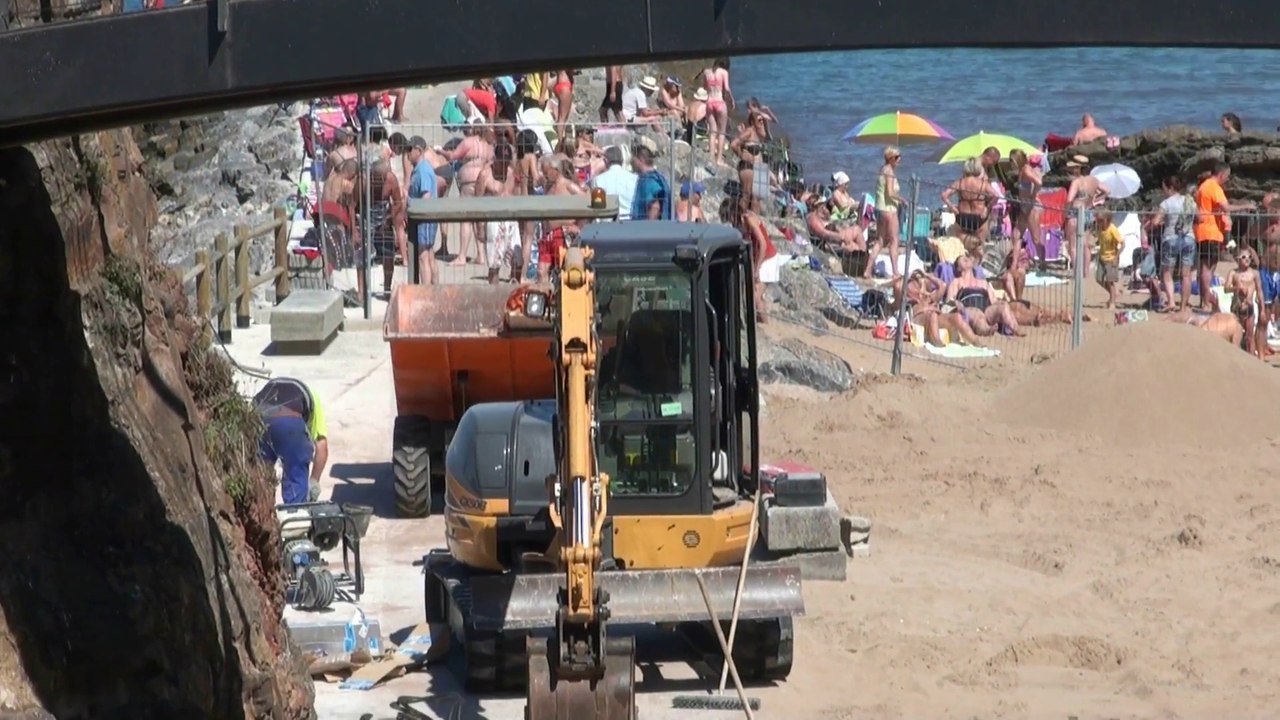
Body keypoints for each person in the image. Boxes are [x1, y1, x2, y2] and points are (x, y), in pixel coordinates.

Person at [254, 377, 329, 505]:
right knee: (296, 475)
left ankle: (261, 515)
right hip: (289, 422)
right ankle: (295, 516)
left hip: (258, 416)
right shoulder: (314, 400)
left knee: (260, 477)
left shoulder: (280, 389)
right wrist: (314, 482)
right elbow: (322, 447)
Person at [1195, 160, 1255, 311]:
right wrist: (1246, 206)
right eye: (1227, 176)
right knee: (1208, 269)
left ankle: (1204, 300)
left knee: (1205, 268)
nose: (1227, 179)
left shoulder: (1203, 186)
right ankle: (1207, 302)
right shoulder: (1214, 187)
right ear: (1221, 174)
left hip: (1204, 232)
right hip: (1211, 232)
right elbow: (1226, 207)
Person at [1147, 176, 1197, 313]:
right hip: (1189, 237)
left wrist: (1160, 221)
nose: (1164, 192)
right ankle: (1183, 306)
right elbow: (1198, 218)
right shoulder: (1190, 202)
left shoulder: (1166, 203)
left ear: (1170, 188)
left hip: (1171, 238)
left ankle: (1171, 302)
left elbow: (1156, 222)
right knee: (1186, 275)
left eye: (1164, 189)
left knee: (1167, 272)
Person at [1064, 155, 1105, 271]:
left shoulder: (1077, 182)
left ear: (1078, 168)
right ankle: (1085, 271)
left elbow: (1069, 199)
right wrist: (1095, 200)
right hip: (1088, 212)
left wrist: (1065, 213)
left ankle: (1077, 272)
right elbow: (1107, 190)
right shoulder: (1094, 180)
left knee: (1073, 245)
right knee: (1085, 245)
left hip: (1075, 213)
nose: (1072, 170)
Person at [407, 136, 439, 285]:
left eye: (409, 149)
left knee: (423, 256)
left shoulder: (423, 170)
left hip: (424, 218)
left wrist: (417, 214)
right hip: (424, 218)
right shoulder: (419, 169)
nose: (407, 153)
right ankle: (434, 289)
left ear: (418, 151)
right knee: (429, 254)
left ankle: (425, 291)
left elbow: (426, 195)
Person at [871, 146, 904, 280]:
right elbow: (890, 193)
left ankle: (867, 270)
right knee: (894, 240)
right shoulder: (889, 172)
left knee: (880, 241)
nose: (899, 159)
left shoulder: (882, 170)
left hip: (880, 208)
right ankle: (895, 271)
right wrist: (902, 199)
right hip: (889, 210)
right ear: (890, 159)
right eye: (897, 157)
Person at [941, 158, 993, 241]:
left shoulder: (959, 183)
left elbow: (944, 195)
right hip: (979, 218)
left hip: (962, 218)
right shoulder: (983, 184)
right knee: (978, 246)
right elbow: (996, 196)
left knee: (963, 246)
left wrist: (952, 208)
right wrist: (987, 208)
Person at [1227, 247, 1264, 356]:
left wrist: (1262, 310)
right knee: (1235, 335)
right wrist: (1236, 288)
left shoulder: (1254, 274)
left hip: (1249, 308)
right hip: (1236, 308)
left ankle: (1251, 359)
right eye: (1244, 257)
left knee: (1249, 336)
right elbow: (1225, 288)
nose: (1247, 259)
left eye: (1249, 257)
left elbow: (1260, 292)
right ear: (1238, 259)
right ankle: (1234, 357)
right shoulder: (1233, 273)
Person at [699, 59, 734, 167]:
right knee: (722, 133)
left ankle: (711, 158)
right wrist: (732, 100)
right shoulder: (724, 73)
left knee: (712, 132)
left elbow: (705, 87)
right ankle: (719, 159)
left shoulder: (706, 72)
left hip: (709, 102)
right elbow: (727, 89)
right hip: (719, 102)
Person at [590, 145, 637, 220]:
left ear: (605, 161)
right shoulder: (634, 178)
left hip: (607, 224)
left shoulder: (598, 180)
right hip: (629, 222)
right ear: (622, 160)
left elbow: (597, 206)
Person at [630, 143, 672, 220]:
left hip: (646, 229)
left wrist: (649, 228)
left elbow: (655, 206)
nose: (631, 162)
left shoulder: (648, 180)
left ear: (640, 159)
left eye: (633, 159)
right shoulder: (660, 178)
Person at [1093, 209, 1123, 309]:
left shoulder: (1112, 229)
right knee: (1099, 279)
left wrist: (1116, 257)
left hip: (1111, 258)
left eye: (1100, 220)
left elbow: (1122, 244)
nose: (1098, 222)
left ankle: (1112, 303)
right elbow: (1101, 239)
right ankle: (1114, 294)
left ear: (1106, 219)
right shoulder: (1100, 228)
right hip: (1102, 256)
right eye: (1097, 220)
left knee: (1110, 281)